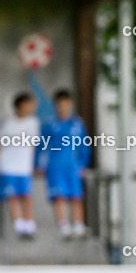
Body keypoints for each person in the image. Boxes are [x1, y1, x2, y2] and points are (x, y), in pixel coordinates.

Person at [38, 90, 89, 238]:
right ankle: (63, 226)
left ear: (71, 104)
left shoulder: (77, 124)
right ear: (55, 105)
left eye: (65, 104)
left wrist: (83, 164)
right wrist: (39, 164)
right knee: (59, 196)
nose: (62, 107)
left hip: (73, 165)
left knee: (75, 196)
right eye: (59, 104)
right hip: (55, 165)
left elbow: (84, 145)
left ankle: (78, 225)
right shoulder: (49, 125)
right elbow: (42, 146)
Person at [0, 93, 40, 239]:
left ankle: (30, 226)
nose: (32, 107)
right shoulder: (8, 124)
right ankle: (19, 227)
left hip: (24, 167)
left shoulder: (33, 123)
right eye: (29, 104)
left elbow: (34, 147)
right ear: (20, 105)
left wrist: (34, 165)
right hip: (7, 166)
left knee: (26, 196)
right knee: (12, 196)